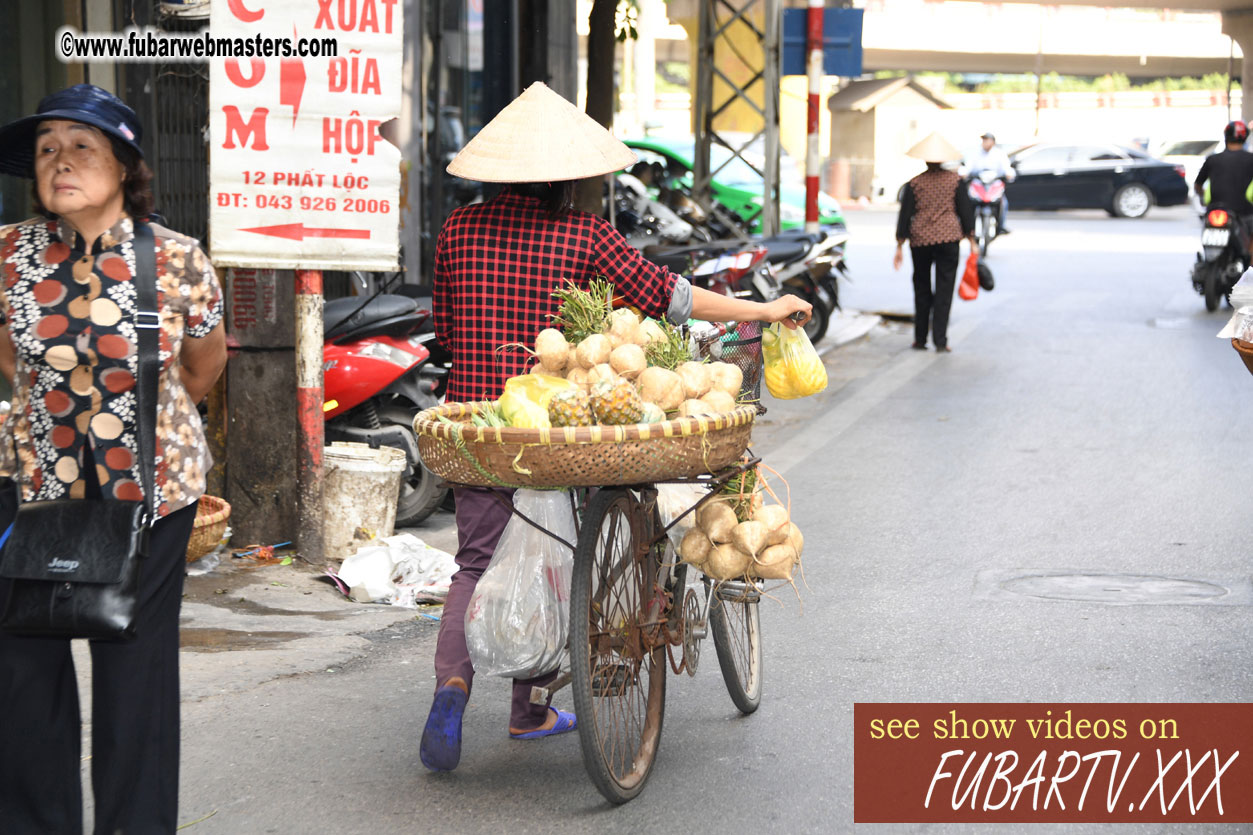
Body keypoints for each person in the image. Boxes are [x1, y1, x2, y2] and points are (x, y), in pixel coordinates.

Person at [422, 81, 811, 772]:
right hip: (566, 431)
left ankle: (450, 691)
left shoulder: (458, 229)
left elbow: (446, 333)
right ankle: (528, 708)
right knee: (561, 558)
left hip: (481, 429)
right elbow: (672, 298)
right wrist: (761, 310)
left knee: (476, 564)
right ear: (570, 178)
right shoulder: (584, 233)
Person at [0, 84, 226, 833]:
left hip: (151, 496)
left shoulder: (177, 259)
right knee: (23, 674)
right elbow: (13, 362)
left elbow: (201, 369)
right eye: (46, 149)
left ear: (125, 167)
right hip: (33, 487)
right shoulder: (7, 255)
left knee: (134, 679)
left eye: (81, 146)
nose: (59, 160)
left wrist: (139, 428)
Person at [893, 132, 975, 353]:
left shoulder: (914, 183)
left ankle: (920, 339)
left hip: (920, 240)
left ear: (925, 160)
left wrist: (899, 244)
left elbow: (905, 215)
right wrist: (972, 239)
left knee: (921, 288)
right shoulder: (955, 181)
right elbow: (965, 211)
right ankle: (940, 340)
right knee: (944, 289)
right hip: (949, 239)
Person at [1193, 120, 1253, 245]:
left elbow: (1198, 185)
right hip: (1245, 213)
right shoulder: (1251, 159)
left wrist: (1202, 196)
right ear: (1244, 138)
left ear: (1226, 136)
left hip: (1215, 210)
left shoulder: (1212, 159)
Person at [962, 131, 1014, 234]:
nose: (985, 142)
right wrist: (964, 173)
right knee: (968, 202)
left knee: (1004, 203)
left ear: (993, 142)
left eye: (987, 140)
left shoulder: (999, 154)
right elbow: (968, 167)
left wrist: (1009, 174)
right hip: (979, 184)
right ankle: (968, 227)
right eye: (984, 140)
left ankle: (1001, 225)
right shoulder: (975, 153)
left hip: (994, 184)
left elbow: (1006, 168)